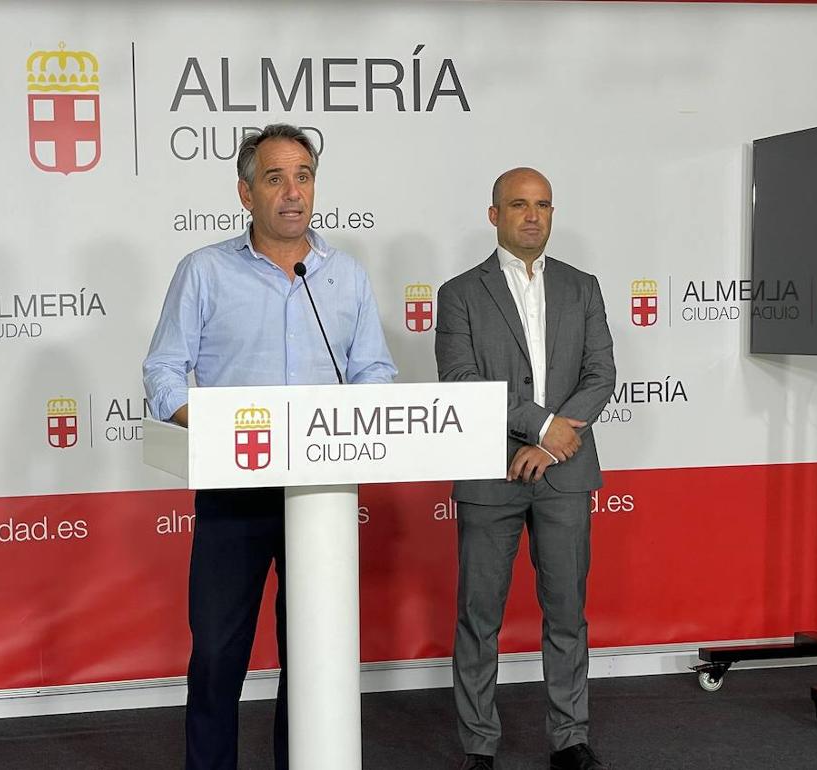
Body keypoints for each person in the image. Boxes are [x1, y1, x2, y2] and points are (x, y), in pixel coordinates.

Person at [143, 123, 396, 770]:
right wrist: (211, 425)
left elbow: (375, 371)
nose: (292, 192)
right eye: (275, 178)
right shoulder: (204, 270)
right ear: (245, 192)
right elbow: (163, 372)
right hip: (235, 489)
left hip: (322, 493)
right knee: (218, 653)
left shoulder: (344, 275)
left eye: (303, 177)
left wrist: (359, 410)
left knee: (313, 655)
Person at [435, 167, 616, 770]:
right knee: (478, 616)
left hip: (564, 472)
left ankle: (570, 738)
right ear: (495, 215)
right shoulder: (460, 293)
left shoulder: (583, 287)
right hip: (490, 473)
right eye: (519, 204)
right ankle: (478, 746)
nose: (533, 215)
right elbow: (461, 380)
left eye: (542, 205)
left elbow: (601, 376)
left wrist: (552, 445)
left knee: (566, 613)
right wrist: (541, 427)